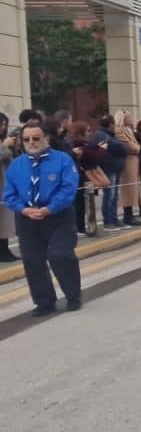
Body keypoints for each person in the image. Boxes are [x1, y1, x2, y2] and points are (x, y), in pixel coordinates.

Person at [3, 123, 81, 316]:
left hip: (58, 216)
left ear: (46, 139)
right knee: (32, 261)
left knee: (60, 256)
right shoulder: (16, 165)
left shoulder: (63, 160)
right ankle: (44, 302)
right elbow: (9, 195)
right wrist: (23, 209)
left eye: (36, 138)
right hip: (27, 219)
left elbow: (68, 189)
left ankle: (73, 295)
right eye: (26, 139)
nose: (31, 142)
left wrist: (49, 208)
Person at [91, 115, 127, 231]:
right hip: (109, 168)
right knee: (109, 195)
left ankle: (114, 218)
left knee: (115, 195)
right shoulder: (102, 135)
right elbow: (120, 148)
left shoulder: (109, 135)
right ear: (111, 124)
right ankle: (108, 221)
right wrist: (122, 148)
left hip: (115, 168)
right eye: (114, 124)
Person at [114, 110, 141, 227]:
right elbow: (130, 146)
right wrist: (136, 147)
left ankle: (130, 214)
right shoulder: (118, 130)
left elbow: (137, 146)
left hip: (133, 161)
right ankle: (127, 215)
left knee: (133, 188)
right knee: (128, 189)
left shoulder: (128, 130)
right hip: (127, 162)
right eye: (129, 117)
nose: (131, 119)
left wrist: (136, 147)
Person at [0, 113, 18, 261]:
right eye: (1, 124)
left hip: (6, 185)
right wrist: (4, 147)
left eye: (5, 125)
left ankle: (5, 250)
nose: (3, 128)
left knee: (5, 221)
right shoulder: (3, 143)